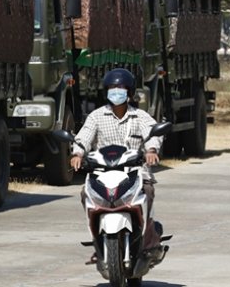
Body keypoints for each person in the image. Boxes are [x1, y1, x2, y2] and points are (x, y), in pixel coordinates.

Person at [70, 68, 164, 260]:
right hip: (103, 174)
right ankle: (99, 242)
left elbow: (153, 133)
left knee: (148, 191)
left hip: (135, 173)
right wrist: (77, 153)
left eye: (121, 88)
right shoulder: (96, 116)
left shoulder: (140, 116)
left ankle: (148, 239)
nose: (116, 92)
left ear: (129, 92)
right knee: (85, 193)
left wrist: (151, 150)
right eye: (112, 88)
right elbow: (83, 137)